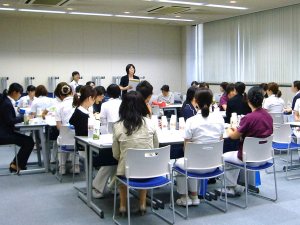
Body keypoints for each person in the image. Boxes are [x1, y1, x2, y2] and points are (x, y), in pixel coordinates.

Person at [175, 88, 224, 206]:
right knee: (192, 161)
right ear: (212, 101)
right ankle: (195, 195)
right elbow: (220, 141)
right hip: (214, 165)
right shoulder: (219, 119)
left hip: (195, 165)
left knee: (181, 163)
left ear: (195, 101)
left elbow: (186, 149)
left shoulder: (191, 121)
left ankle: (184, 197)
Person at [112, 91, 159, 215]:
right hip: (149, 170)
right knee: (143, 166)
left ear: (123, 106)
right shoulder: (150, 123)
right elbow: (156, 148)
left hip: (126, 171)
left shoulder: (117, 126)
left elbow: (116, 154)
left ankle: (122, 206)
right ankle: (142, 205)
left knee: (122, 166)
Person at [223, 86, 273, 196]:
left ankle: (230, 188)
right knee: (235, 156)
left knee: (225, 157)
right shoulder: (268, 116)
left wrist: (228, 129)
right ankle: (238, 185)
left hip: (249, 158)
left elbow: (234, 136)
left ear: (248, 100)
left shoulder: (249, 118)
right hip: (265, 157)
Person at [92, 84, 121, 199]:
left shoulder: (105, 104)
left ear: (108, 94)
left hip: (109, 137)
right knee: (117, 161)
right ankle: (115, 187)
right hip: (123, 136)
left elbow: (103, 123)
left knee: (109, 162)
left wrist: (103, 137)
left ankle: (98, 187)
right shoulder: (124, 103)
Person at [0, 83, 34, 172]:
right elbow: (10, 121)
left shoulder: (5, 100)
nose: (19, 96)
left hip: (4, 132)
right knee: (29, 142)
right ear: (15, 92)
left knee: (28, 140)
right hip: (4, 135)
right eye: (20, 93)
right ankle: (16, 165)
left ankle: (16, 163)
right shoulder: (7, 103)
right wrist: (23, 118)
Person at [55, 83, 79, 175]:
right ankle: (76, 166)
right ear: (72, 92)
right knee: (74, 142)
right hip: (79, 138)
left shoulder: (59, 106)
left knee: (62, 140)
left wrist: (66, 132)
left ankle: (62, 167)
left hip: (65, 137)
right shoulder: (79, 103)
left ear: (60, 95)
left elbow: (58, 127)